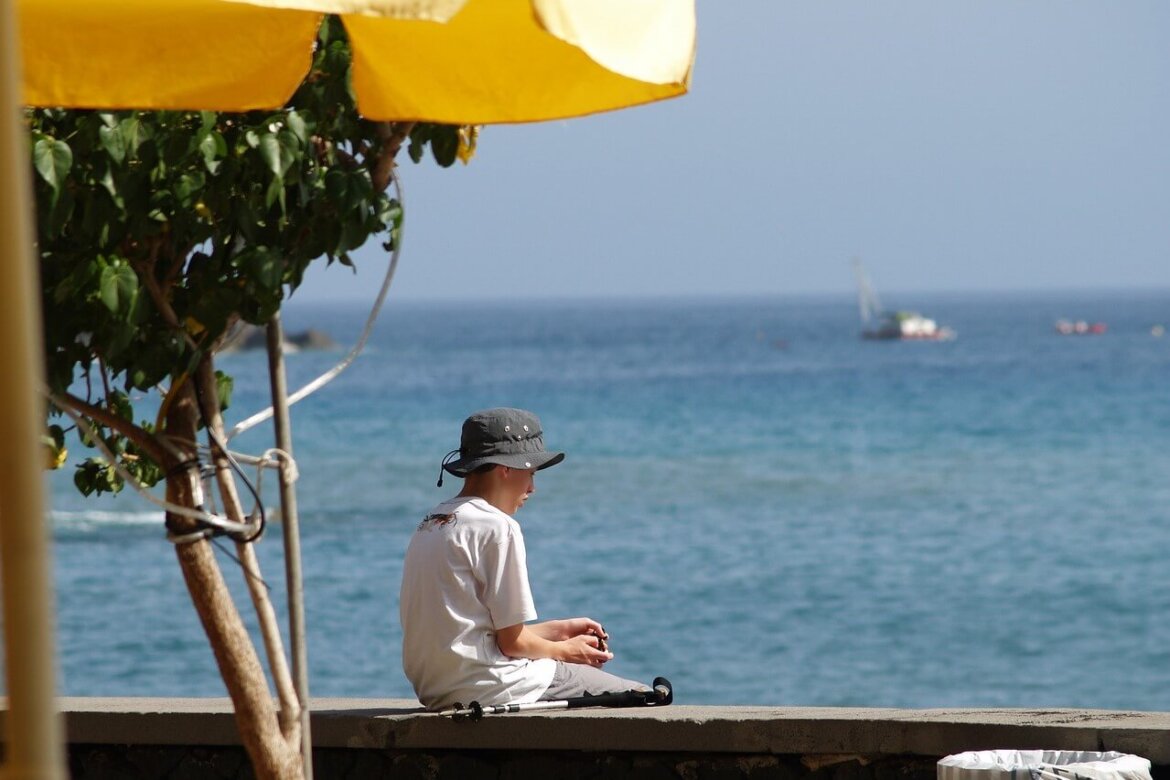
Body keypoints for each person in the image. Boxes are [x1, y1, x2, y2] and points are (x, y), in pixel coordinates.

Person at [399, 407, 648, 710]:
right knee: (645, 697)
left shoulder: (433, 521)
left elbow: (471, 634)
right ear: (506, 468)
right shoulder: (497, 526)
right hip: (493, 686)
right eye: (530, 473)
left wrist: (557, 630)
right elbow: (512, 645)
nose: (532, 487)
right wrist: (568, 651)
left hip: (438, 690)